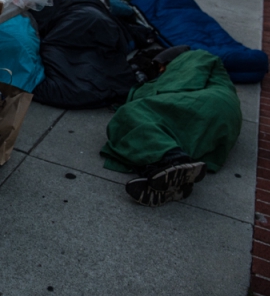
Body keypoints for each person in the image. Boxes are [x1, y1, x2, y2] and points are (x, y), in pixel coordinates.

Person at [101, 46, 243, 207]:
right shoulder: (214, 74)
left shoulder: (195, 55)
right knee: (154, 135)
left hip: (209, 103)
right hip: (218, 119)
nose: (161, 71)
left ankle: (174, 160)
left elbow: (178, 83)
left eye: (161, 66)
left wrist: (144, 97)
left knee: (131, 113)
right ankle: (167, 181)